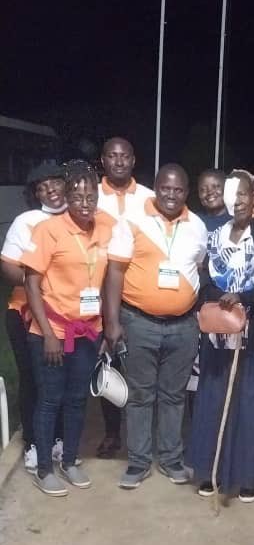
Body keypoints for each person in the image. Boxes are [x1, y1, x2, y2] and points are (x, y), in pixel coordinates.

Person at [104, 164, 207, 489]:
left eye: (178, 190)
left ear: (186, 193)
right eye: (165, 188)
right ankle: (138, 462)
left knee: (174, 395)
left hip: (183, 326)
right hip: (138, 323)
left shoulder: (197, 226)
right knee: (139, 395)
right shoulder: (133, 219)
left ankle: (171, 458)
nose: (171, 195)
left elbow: (200, 268)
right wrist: (112, 321)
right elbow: (115, 273)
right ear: (156, 187)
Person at [189, 170, 254, 502]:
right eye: (233, 195)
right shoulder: (216, 235)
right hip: (220, 337)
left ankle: (247, 476)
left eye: (244, 194)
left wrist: (243, 297)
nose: (238, 201)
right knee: (216, 403)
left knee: (249, 405)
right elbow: (204, 284)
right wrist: (222, 295)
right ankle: (212, 471)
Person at [22, 160, 113, 496]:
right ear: (66, 197)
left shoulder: (105, 227)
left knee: (77, 401)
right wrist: (47, 333)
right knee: (50, 400)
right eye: (77, 196)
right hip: (52, 332)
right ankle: (44, 468)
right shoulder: (48, 230)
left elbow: (105, 281)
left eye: (91, 197)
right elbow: (32, 284)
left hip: (88, 332)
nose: (85, 203)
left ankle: (70, 460)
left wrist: (104, 329)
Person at [1, 161, 68, 471]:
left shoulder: (77, 217)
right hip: (25, 312)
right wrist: (40, 279)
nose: (50, 190)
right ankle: (31, 441)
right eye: (41, 187)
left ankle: (56, 440)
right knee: (33, 379)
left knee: (61, 381)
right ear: (34, 194)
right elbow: (9, 267)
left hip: (67, 316)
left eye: (54, 183)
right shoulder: (26, 221)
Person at [95, 136, 154, 458]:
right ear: (103, 160)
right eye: (112, 156)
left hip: (132, 296)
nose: (119, 161)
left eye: (125, 156)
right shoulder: (90, 195)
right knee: (106, 364)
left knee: (136, 368)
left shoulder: (149, 198)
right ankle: (111, 432)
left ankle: (140, 437)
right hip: (93, 293)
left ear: (134, 160)